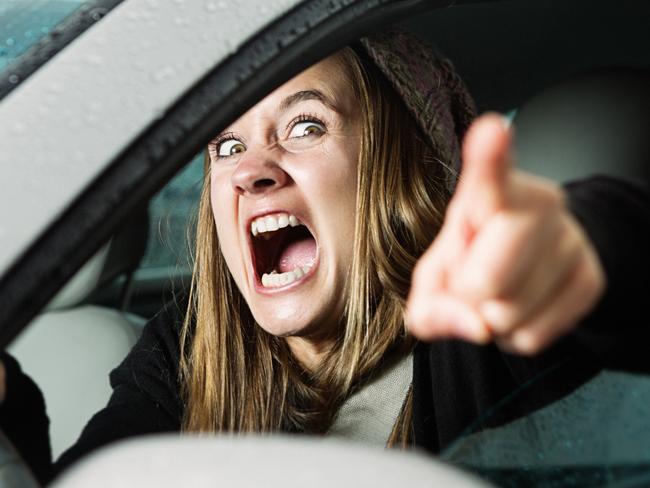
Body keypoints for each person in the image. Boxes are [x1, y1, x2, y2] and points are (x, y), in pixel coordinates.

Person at [1, 30, 649, 485]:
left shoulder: (486, 329)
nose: (251, 169)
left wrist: (583, 242)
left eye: (305, 126)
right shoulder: (189, 349)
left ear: (400, 170)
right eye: (226, 145)